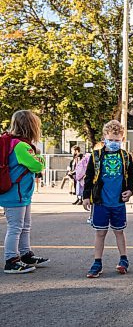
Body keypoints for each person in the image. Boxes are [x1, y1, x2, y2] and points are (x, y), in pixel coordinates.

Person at [83, 120, 133, 278]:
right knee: (100, 232)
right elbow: (89, 176)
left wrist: (130, 190)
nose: (113, 143)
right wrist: (86, 196)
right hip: (101, 202)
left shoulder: (126, 156)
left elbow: (131, 176)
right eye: (111, 140)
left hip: (118, 202)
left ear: (123, 139)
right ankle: (97, 262)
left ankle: (123, 259)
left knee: (119, 231)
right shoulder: (96, 156)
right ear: (104, 137)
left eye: (117, 140)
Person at [0, 110, 50, 273]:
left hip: (21, 193)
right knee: (15, 226)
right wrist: (40, 158)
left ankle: (25, 254)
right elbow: (37, 165)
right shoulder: (21, 146)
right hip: (16, 193)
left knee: (24, 225)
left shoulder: (15, 143)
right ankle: (11, 259)